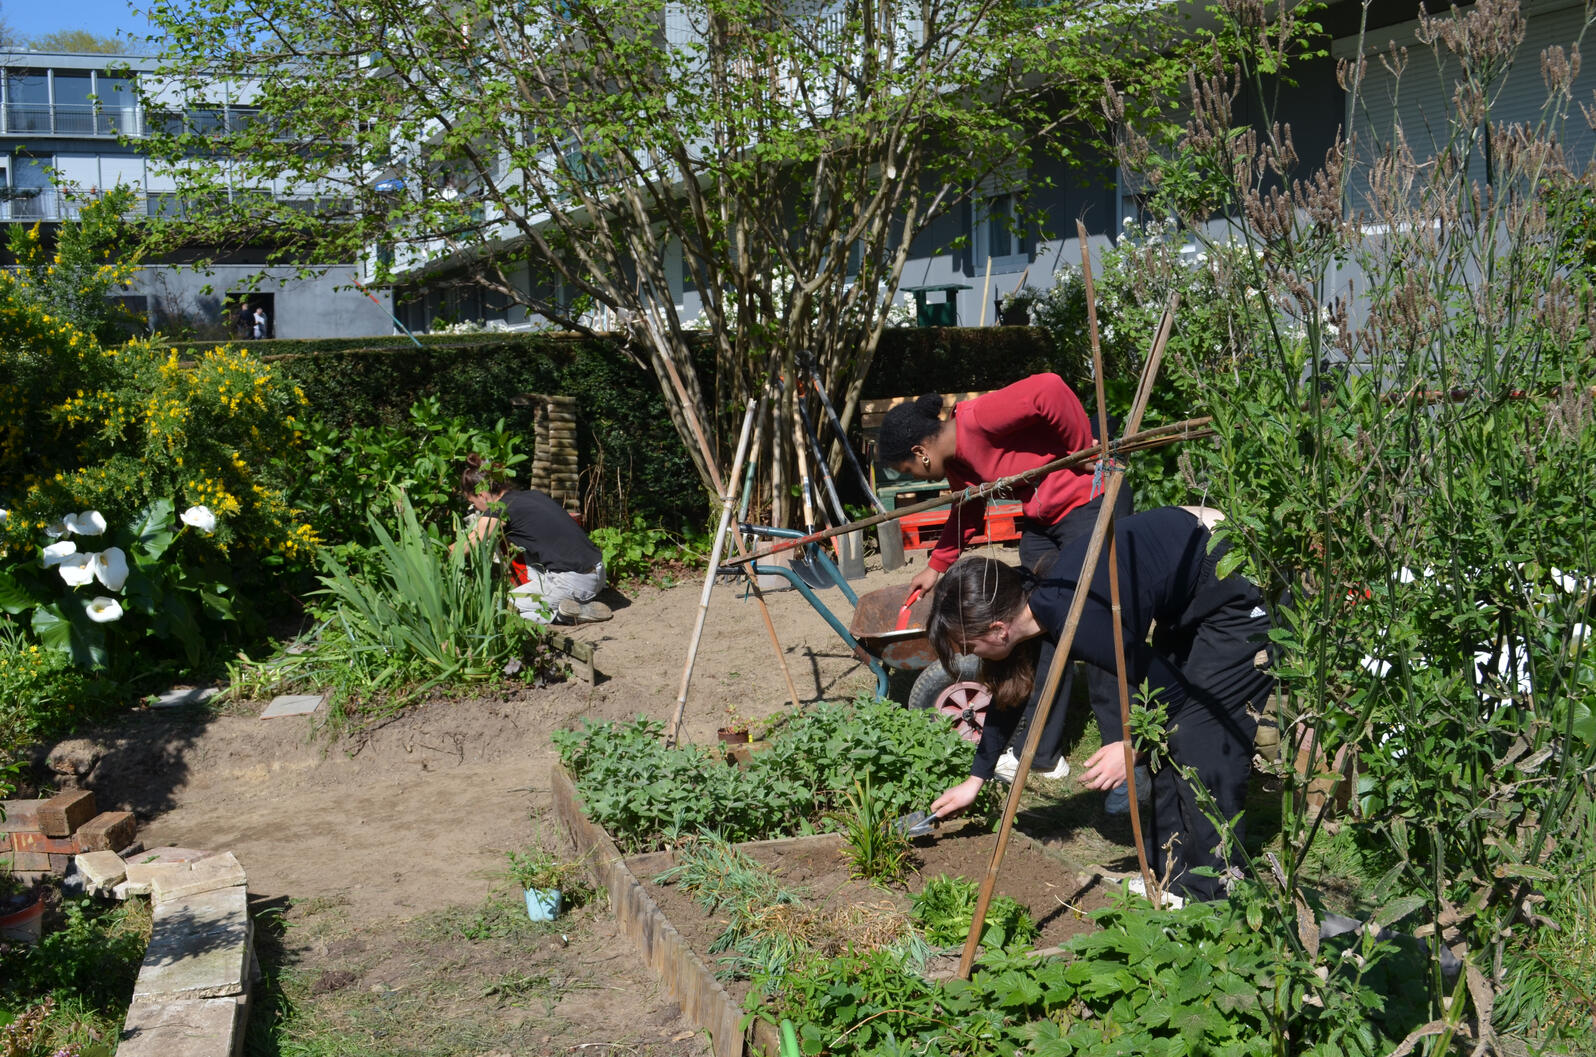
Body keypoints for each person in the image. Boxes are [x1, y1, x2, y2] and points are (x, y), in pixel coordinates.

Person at [924, 506, 1274, 903]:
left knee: (1198, 735)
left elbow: (1170, 690)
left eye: (968, 645)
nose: (970, 655)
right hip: (1188, 593)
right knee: (1163, 741)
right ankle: (1172, 879)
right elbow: (1007, 697)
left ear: (998, 629)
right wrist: (977, 778)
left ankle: (1211, 896)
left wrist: (1129, 745)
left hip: (1229, 578)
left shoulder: (1077, 618)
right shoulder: (1031, 605)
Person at [877, 374, 1132, 785]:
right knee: (1032, 626)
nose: (918, 478)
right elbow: (968, 509)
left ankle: (1120, 755)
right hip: (1044, 519)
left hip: (1088, 500)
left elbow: (1049, 389)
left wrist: (1081, 448)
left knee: (1091, 620)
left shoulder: (979, 419)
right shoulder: (959, 465)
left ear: (919, 451)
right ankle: (1042, 751)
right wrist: (936, 566)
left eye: (906, 468)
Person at [458, 456, 612, 624]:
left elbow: (466, 545)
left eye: (473, 502)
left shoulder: (500, 510)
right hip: (596, 570)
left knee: (501, 610)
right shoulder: (532, 496)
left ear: (482, 495)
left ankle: (565, 615)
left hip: (574, 582)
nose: (476, 509)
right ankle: (566, 604)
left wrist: (438, 553)